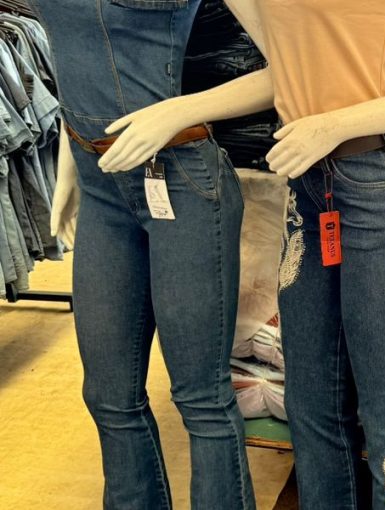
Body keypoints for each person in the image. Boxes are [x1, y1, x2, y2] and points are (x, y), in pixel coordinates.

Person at [65, 1, 385, 508]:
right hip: (309, 188)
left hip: (384, 180)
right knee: (310, 403)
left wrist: (335, 124)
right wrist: (177, 111)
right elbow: (283, 69)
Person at [30, 1, 255, 508]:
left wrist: (181, 110)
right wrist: (70, 163)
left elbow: (290, 68)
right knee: (109, 396)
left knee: (201, 397)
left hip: (179, 175)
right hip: (100, 180)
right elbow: (80, 54)